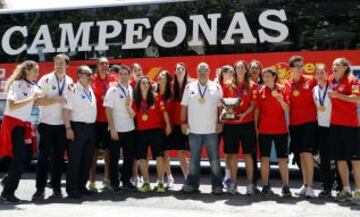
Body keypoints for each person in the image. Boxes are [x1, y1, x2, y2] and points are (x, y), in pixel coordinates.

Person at [32, 54, 73, 200]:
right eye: (56, 63)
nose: (59, 65)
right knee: (43, 159)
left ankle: (56, 189)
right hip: (46, 124)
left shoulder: (70, 81)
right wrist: (55, 99)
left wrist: (68, 127)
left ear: (67, 65)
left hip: (61, 126)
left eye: (62, 63)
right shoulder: (45, 79)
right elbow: (37, 101)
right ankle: (39, 189)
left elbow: (69, 105)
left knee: (59, 160)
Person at [0, 60, 41, 202]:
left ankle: (8, 179)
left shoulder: (34, 86)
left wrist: (60, 99)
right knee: (18, 158)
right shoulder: (17, 84)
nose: (37, 73)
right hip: (13, 123)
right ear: (26, 70)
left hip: (25, 125)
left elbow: (40, 100)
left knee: (28, 156)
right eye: (35, 70)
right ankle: (7, 193)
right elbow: (12, 105)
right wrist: (31, 98)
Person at [181, 62, 223, 194]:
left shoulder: (216, 87)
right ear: (197, 72)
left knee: (215, 160)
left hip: (211, 130)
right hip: (194, 130)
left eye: (205, 70)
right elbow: (184, 106)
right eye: (200, 70)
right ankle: (193, 184)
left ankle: (217, 185)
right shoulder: (189, 87)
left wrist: (220, 123)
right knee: (194, 160)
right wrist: (183, 122)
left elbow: (221, 107)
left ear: (209, 71)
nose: (203, 72)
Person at [220, 62, 258, 195]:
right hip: (231, 125)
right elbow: (223, 102)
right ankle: (234, 184)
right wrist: (228, 111)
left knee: (248, 155)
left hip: (247, 123)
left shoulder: (252, 85)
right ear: (235, 70)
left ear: (246, 70)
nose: (240, 69)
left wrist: (243, 115)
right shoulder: (228, 84)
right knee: (233, 155)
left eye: (242, 67)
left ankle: (249, 184)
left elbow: (253, 105)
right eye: (238, 67)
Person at [255, 67, 292, 197]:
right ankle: (265, 185)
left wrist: (280, 99)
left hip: (280, 130)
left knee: (283, 159)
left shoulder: (283, 89)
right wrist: (256, 127)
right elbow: (257, 111)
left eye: (268, 76)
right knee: (265, 159)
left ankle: (286, 186)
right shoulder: (260, 91)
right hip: (264, 130)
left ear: (274, 77)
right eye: (263, 77)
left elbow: (287, 108)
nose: (265, 79)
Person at [327, 58, 360, 202]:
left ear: (346, 67)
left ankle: (358, 191)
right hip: (335, 125)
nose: (334, 67)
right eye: (333, 64)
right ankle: (346, 189)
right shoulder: (331, 79)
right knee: (339, 158)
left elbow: (357, 99)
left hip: (350, 125)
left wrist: (338, 96)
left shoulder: (352, 80)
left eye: (338, 65)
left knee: (355, 159)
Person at [285, 56, 318, 198]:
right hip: (294, 124)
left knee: (307, 154)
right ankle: (305, 185)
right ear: (291, 68)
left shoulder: (311, 80)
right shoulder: (287, 84)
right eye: (297, 66)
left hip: (309, 123)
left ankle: (311, 186)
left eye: (301, 65)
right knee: (300, 156)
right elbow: (287, 105)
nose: (300, 68)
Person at [132, 76, 172, 193]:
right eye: (143, 83)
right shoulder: (136, 100)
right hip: (141, 131)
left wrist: (168, 125)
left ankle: (160, 183)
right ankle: (146, 183)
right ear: (139, 86)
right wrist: (127, 105)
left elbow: (164, 112)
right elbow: (132, 115)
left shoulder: (156, 97)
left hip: (156, 130)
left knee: (159, 156)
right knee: (142, 158)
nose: (145, 85)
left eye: (147, 83)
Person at [63, 65, 97, 199]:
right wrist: (68, 128)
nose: (91, 77)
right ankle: (72, 189)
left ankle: (81, 186)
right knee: (75, 160)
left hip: (90, 128)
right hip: (77, 128)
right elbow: (65, 110)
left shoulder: (90, 89)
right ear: (80, 75)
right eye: (88, 74)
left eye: (91, 74)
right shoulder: (72, 90)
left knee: (86, 159)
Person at [104, 64, 136, 191]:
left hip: (129, 128)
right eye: (121, 74)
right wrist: (112, 128)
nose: (123, 76)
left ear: (129, 76)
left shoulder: (130, 88)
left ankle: (126, 180)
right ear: (117, 76)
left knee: (129, 157)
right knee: (114, 158)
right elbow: (108, 110)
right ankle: (114, 182)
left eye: (125, 74)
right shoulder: (113, 90)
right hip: (116, 130)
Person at [89, 57, 115, 191]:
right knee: (93, 152)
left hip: (108, 121)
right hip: (93, 121)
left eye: (107, 64)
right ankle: (92, 181)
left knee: (107, 152)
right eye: (101, 64)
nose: (104, 66)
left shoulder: (113, 80)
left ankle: (106, 180)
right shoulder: (91, 79)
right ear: (97, 66)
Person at [312, 64, 335, 198]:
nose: (320, 75)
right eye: (318, 73)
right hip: (320, 127)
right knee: (323, 159)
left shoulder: (332, 88)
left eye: (322, 73)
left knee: (335, 158)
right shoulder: (314, 89)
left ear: (327, 74)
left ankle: (339, 186)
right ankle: (326, 187)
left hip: (332, 127)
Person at [156, 69, 176, 189]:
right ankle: (163, 179)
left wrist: (170, 125)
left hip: (168, 127)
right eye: (159, 76)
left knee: (165, 154)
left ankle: (168, 177)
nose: (159, 77)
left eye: (162, 76)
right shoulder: (154, 91)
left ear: (167, 80)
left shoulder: (172, 94)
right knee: (159, 154)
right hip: (156, 127)